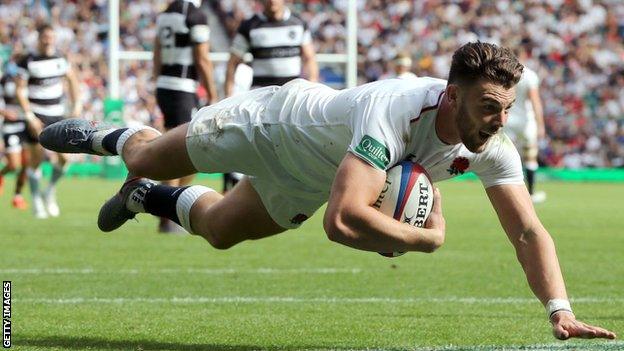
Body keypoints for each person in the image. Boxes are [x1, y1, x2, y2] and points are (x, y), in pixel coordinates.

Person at [40, 42, 615, 340]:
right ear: (451, 95)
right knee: (147, 154)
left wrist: (559, 310)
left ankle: (143, 198)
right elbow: (341, 221)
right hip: (269, 123)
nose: (497, 121)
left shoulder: (491, 144)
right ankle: (109, 136)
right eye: (488, 106)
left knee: (218, 231)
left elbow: (526, 229)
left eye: (505, 109)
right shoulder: (393, 109)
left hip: (311, 174)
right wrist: (424, 240)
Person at [222, 0, 319, 193]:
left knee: (290, 148)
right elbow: (233, 62)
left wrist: (313, 85)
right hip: (262, 100)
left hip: (291, 98)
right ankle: (243, 195)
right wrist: (228, 96)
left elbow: (309, 58)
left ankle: (286, 193)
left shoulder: (298, 24)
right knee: (259, 150)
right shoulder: (250, 25)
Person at [153, 0, 218, 232]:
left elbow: (158, 51)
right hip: (181, 87)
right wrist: (213, 93)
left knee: (185, 149)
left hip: (166, 85)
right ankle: (167, 213)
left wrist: (156, 81)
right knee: (181, 150)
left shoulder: (166, 14)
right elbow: (202, 58)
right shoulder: (195, 15)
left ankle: (165, 207)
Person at [15, 24, 82, 218]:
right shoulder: (27, 60)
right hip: (36, 115)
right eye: (45, 37)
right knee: (35, 161)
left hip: (57, 115)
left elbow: (72, 80)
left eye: (51, 37)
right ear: (39, 38)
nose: (48, 40)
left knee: (64, 158)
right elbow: (20, 89)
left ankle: (49, 190)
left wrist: (76, 104)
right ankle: (36, 200)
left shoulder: (60, 59)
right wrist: (29, 116)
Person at [504, 47, 546, 203]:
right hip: (525, 122)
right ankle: (531, 193)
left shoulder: (504, 73)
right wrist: (541, 125)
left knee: (506, 157)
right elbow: (535, 102)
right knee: (530, 158)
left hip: (507, 119)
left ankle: (507, 193)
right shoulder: (529, 75)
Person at [0, 64, 38, 210]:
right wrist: (4, 113)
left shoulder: (31, 81)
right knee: (13, 165)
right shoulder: (4, 81)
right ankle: (1, 175)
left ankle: (17, 196)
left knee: (27, 163)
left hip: (26, 125)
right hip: (10, 126)